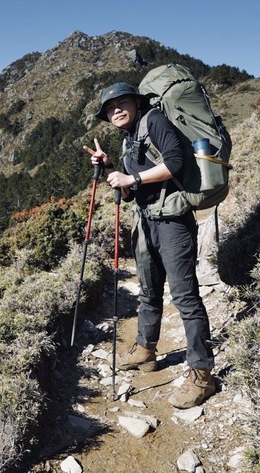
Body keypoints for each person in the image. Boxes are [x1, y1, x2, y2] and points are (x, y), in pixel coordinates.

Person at [84, 82, 215, 409]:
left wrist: (133, 179)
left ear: (136, 102)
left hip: (172, 221)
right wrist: (111, 169)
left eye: (121, 102)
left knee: (185, 296)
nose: (115, 109)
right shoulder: (129, 139)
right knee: (149, 290)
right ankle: (146, 350)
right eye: (109, 107)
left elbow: (174, 163)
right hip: (146, 221)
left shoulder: (154, 119)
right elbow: (129, 192)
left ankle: (202, 373)